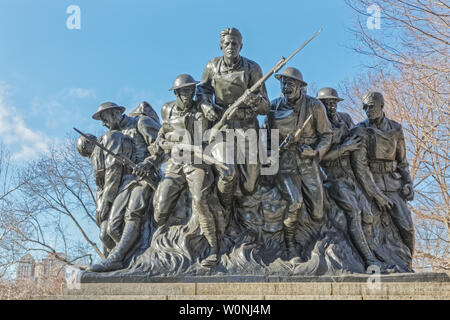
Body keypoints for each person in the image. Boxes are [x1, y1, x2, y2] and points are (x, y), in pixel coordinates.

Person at [196, 27, 270, 210]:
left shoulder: (253, 68)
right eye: (227, 43)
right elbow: (202, 90)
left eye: (234, 43)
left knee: (250, 186)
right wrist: (206, 106)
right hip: (222, 127)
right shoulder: (212, 66)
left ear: (241, 46)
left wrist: (255, 100)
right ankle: (224, 210)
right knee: (227, 173)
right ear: (221, 46)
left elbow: (265, 106)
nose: (231, 46)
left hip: (247, 127)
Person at [151, 74, 220, 267]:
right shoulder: (167, 109)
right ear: (176, 93)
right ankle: (163, 247)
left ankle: (214, 248)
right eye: (184, 91)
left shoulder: (202, 108)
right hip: (175, 163)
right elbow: (162, 134)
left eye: (191, 90)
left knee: (199, 201)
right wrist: (160, 145)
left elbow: (213, 131)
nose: (188, 95)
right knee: (160, 211)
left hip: (196, 163)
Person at [266, 67, 332, 258]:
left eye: (291, 84)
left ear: (301, 87)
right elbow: (265, 137)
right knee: (295, 202)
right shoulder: (274, 106)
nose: (287, 87)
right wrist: (271, 152)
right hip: (284, 162)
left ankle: (313, 242)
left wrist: (315, 152)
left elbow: (326, 135)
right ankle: (290, 245)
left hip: (307, 161)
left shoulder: (314, 106)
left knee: (318, 212)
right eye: (284, 83)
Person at [88, 102, 161, 272]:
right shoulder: (114, 135)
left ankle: (118, 256)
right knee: (113, 226)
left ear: (114, 113)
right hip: (127, 181)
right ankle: (129, 259)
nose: (103, 123)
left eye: (104, 118)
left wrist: (146, 164)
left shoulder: (141, 122)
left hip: (146, 178)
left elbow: (164, 149)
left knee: (133, 211)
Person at [317, 87, 384, 268]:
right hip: (332, 178)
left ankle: (369, 253)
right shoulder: (317, 125)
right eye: (325, 104)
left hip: (350, 175)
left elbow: (357, 136)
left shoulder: (345, 119)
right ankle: (369, 259)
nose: (330, 107)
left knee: (368, 215)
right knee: (355, 213)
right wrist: (344, 148)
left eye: (333, 103)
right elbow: (319, 157)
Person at [351, 92, 415, 269]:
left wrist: (408, 183)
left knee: (406, 226)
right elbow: (361, 168)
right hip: (371, 185)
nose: (367, 110)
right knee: (370, 226)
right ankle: (377, 264)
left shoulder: (396, 128)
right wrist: (377, 195)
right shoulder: (360, 130)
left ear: (381, 105)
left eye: (371, 106)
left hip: (394, 184)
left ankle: (407, 267)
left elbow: (402, 162)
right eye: (364, 107)